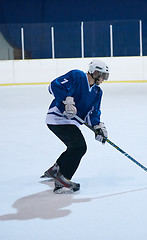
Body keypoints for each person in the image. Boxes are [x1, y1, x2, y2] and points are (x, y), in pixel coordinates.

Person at [41, 59, 110, 194]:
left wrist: (98, 127)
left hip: (71, 122)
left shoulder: (97, 92)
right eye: (101, 75)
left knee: (74, 147)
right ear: (94, 72)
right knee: (79, 147)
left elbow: (93, 112)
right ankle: (62, 179)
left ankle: (56, 170)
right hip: (57, 118)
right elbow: (54, 86)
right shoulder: (77, 76)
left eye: (105, 76)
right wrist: (66, 100)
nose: (103, 79)